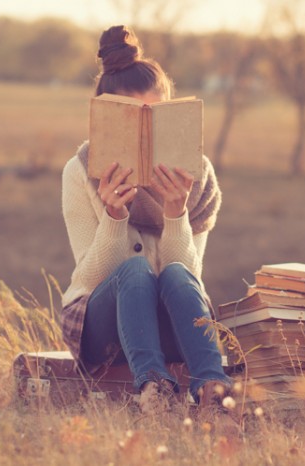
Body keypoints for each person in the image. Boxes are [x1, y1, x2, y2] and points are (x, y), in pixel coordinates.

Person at [59, 25, 232, 416]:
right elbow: (90, 279)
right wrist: (114, 216)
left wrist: (176, 213)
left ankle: (214, 389)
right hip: (103, 326)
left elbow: (189, 277)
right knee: (135, 270)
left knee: (174, 274)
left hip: (172, 321)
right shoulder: (79, 171)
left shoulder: (198, 175)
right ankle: (154, 389)